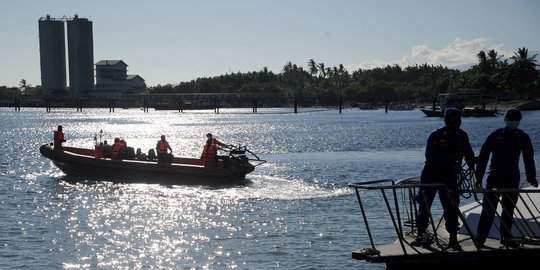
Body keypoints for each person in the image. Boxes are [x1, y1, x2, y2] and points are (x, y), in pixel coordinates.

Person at [412, 107, 475, 251]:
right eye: (454, 119)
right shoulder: (436, 136)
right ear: (446, 120)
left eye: (459, 119)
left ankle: (453, 239)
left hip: (450, 176)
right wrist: (450, 157)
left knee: (452, 207)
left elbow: (468, 151)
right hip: (431, 175)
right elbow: (430, 156)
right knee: (424, 205)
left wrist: (472, 161)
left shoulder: (462, 136)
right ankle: (421, 234)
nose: (457, 122)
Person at [474, 108, 538, 247]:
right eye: (511, 120)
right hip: (494, 177)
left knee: (509, 209)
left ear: (519, 122)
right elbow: (483, 157)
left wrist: (531, 177)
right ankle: (480, 237)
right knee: (488, 208)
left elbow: (529, 158)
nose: (513, 122)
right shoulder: (495, 135)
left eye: (516, 121)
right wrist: (478, 178)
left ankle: (506, 237)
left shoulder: (523, 136)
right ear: (505, 120)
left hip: (512, 177)